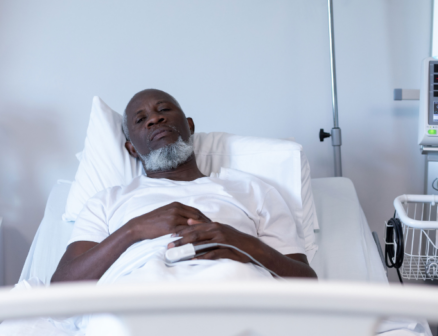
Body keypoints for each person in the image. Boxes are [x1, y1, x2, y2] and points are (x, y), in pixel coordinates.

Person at [51, 89, 316, 283]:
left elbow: (307, 284)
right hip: (138, 298)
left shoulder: (253, 190)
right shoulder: (106, 202)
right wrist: (134, 230)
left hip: (234, 291)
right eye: (141, 120)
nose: (155, 119)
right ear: (131, 149)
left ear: (189, 126)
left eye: (164, 110)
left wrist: (242, 244)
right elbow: (61, 289)